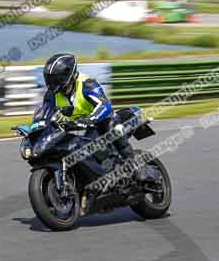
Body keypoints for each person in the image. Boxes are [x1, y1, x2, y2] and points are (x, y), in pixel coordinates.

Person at [41, 53, 151, 183]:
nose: (51, 82)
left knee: (111, 125)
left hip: (101, 123)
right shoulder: (52, 95)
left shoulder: (86, 84)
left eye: (55, 78)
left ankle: (133, 163)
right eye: (49, 78)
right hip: (79, 129)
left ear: (67, 75)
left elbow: (105, 106)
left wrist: (88, 120)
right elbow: (45, 116)